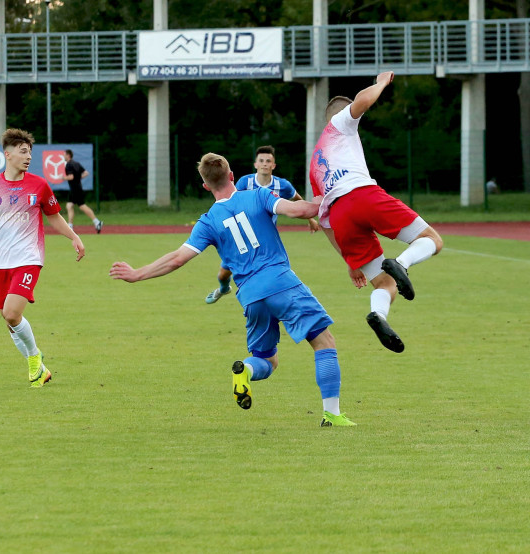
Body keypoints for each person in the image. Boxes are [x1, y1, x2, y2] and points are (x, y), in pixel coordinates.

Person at [110, 152, 355, 427]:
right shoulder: (258, 196)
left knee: (266, 360)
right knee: (324, 342)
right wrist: (331, 195)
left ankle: (246, 371)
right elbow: (301, 210)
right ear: (232, 176)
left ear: (205, 186)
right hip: (281, 282)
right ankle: (332, 414)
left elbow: (177, 259)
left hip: (250, 297)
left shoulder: (207, 222)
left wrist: (136, 274)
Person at [310, 71, 443, 354]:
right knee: (432, 240)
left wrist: (350, 258)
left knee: (383, 283)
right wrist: (381, 82)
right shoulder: (340, 124)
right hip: (362, 195)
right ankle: (403, 264)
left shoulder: (315, 165)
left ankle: (378, 316)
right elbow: (362, 101)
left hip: (341, 217)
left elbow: (326, 221)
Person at [0, 129, 86, 388]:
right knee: (9, 320)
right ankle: (40, 370)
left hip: (29, 257)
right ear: (7, 154)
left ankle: (34, 358)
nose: (28, 156)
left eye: (30, 152)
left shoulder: (39, 185)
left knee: (11, 313)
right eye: (23, 151)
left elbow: (54, 215)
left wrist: (74, 237)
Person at [205, 145, 320, 304]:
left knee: (271, 269)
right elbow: (230, 201)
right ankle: (224, 288)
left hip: (265, 239)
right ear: (255, 164)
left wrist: (310, 219)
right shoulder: (245, 182)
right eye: (261, 161)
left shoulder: (282, 185)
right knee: (223, 274)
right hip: (241, 236)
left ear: (273, 166)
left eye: (268, 161)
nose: (265, 164)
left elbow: (297, 200)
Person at [63, 149, 103, 234]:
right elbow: (86, 173)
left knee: (81, 206)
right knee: (69, 205)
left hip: (75, 189)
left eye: (65, 155)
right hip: (77, 188)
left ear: (68, 155)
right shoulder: (76, 164)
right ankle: (70, 225)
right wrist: (78, 177)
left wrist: (62, 178)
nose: (64, 156)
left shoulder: (69, 165)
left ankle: (96, 222)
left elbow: (71, 177)